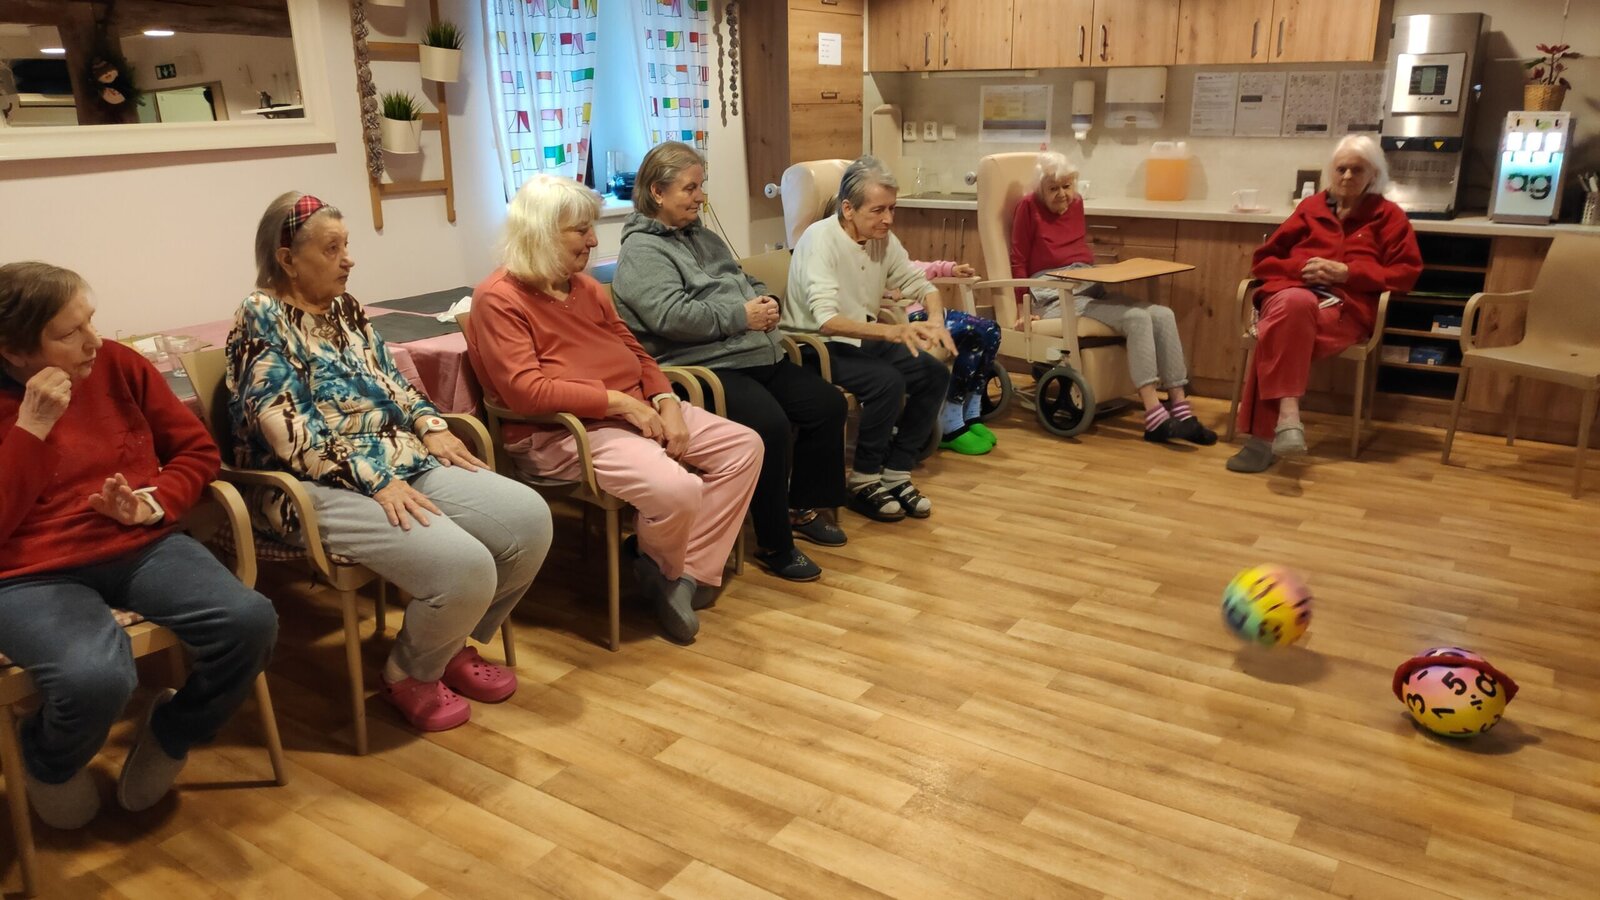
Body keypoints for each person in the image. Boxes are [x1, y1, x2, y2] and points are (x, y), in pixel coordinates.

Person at [227, 193, 552, 734]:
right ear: (287, 259)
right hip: (309, 485)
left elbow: (393, 382)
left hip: (395, 460)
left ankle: (444, 644)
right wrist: (374, 481)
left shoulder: (346, 308)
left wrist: (430, 425)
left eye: (346, 245)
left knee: (529, 520)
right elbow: (290, 433)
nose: (348, 259)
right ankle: (410, 672)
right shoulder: (261, 316)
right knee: (465, 565)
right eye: (332, 249)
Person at [0, 261, 278, 827]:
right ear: (14, 351)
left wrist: (151, 504)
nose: (94, 341)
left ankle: (173, 730)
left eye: (91, 320)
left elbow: (196, 451)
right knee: (95, 678)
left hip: (136, 544)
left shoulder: (117, 364)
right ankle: (47, 760)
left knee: (249, 622)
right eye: (70, 332)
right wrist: (31, 429)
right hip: (29, 573)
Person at [465, 174, 762, 645]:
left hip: (634, 412)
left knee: (744, 447)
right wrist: (617, 402)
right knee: (677, 488)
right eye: (580, 229)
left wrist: (665, 400)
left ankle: (680, 573)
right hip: (564, 432)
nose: (593, 240)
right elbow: (525, 391)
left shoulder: (585, 288)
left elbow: (637, 353)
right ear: (541, 232)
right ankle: (666, 572)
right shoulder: (499, 297)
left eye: (591, 227)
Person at [612, 141, 846, 582]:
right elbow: (670, 317)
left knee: (827, 405)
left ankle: (799, 508)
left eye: (700, 186)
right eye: (690, 188)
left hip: (752, 353)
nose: (700, 197)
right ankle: (775, 543)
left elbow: (743, 278)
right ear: (657, 192)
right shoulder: (642, 252)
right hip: (702, 367)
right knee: (771, 426)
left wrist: (767, 300)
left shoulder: (703, 236)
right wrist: (742, 315)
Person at [1228, 135, 1423, 473]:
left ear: (1374, 175)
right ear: (1331, 171)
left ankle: (1262, 440)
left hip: (1344, 310)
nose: (1347, 176)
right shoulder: (1310, 209)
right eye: (1341, 168)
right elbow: (1264, 261)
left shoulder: (1389, 217)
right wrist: (1301, 269)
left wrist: (1349, 273)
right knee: (1292, 305)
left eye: (1357, 170)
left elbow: (1405, 274)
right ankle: (1288, 416)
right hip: (1293, 294)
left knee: (1277, 330)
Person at [783, 156, 955, 521]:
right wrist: (893, 331)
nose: (888, 219)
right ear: (848, 209)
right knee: (887, 382)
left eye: (892, 208)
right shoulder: (819, 239)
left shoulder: (881, 239)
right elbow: (827, 321)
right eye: (878, 210)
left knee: (934, 374)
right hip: (813, 346)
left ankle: (896, 472)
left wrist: (936, 319)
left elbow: (919, 283)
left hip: (858, 339)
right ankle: (863, 479)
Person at [1011, 151, 1215, 446]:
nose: (1062, 194)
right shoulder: (1028, 207)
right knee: (1136, 318)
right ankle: (1154, 416)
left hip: (1087, 283)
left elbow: (1078, 256)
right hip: (1052, 294)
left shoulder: (1076, 203)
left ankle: (1181, 409)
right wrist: (1023, 307)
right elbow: (1018, 260)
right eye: (1053, 188)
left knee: (1163, 314)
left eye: (1067, 186)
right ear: (1040, 189)